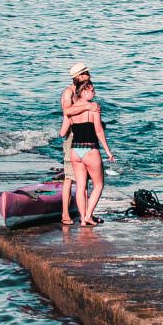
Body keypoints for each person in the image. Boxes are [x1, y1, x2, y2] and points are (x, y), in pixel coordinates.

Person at [59, 63, 111, 226]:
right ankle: (69, 214)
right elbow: (67, 112)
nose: (89, 75)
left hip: (77, 145)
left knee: (82, 183)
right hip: (81, 143)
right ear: (80, 76)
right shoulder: (69, 93)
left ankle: (85, 216)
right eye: (86, 73)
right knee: (73, 178)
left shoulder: (79, 97)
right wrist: (90, 107)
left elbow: (68, 118)